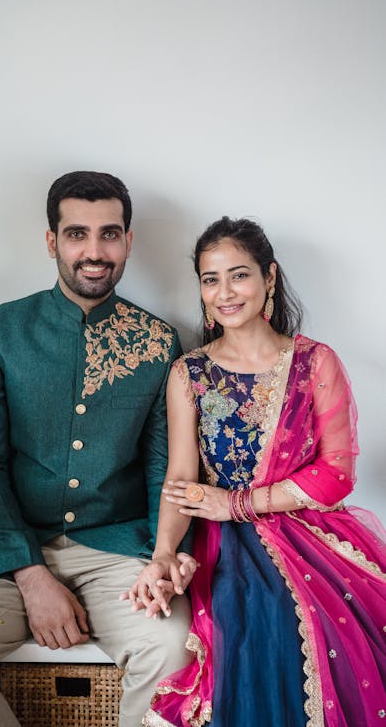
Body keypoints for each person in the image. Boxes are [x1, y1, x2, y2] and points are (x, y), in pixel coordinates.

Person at [0, 171, 194, 727]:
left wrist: (163, 554)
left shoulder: (158, 341)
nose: (94, 251)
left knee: (173, 652)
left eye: (109, 234)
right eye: (77, 233)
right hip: (3, 551)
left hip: (117, 550)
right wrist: (30, 575)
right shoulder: (0, 330)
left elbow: (163, 467)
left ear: (128, 241)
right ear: (51, 240)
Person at [127, 217, 386, 727]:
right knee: (257, 615)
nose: (224, 292)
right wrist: (162, 555)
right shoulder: (191, 373)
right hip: (222, 544)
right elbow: (180, 479)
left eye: (238, 275)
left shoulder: (315, 362)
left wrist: (238, 503)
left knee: (335, 622)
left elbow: (337, 474)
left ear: (270, 277)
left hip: (310, 531)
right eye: (209, 279)